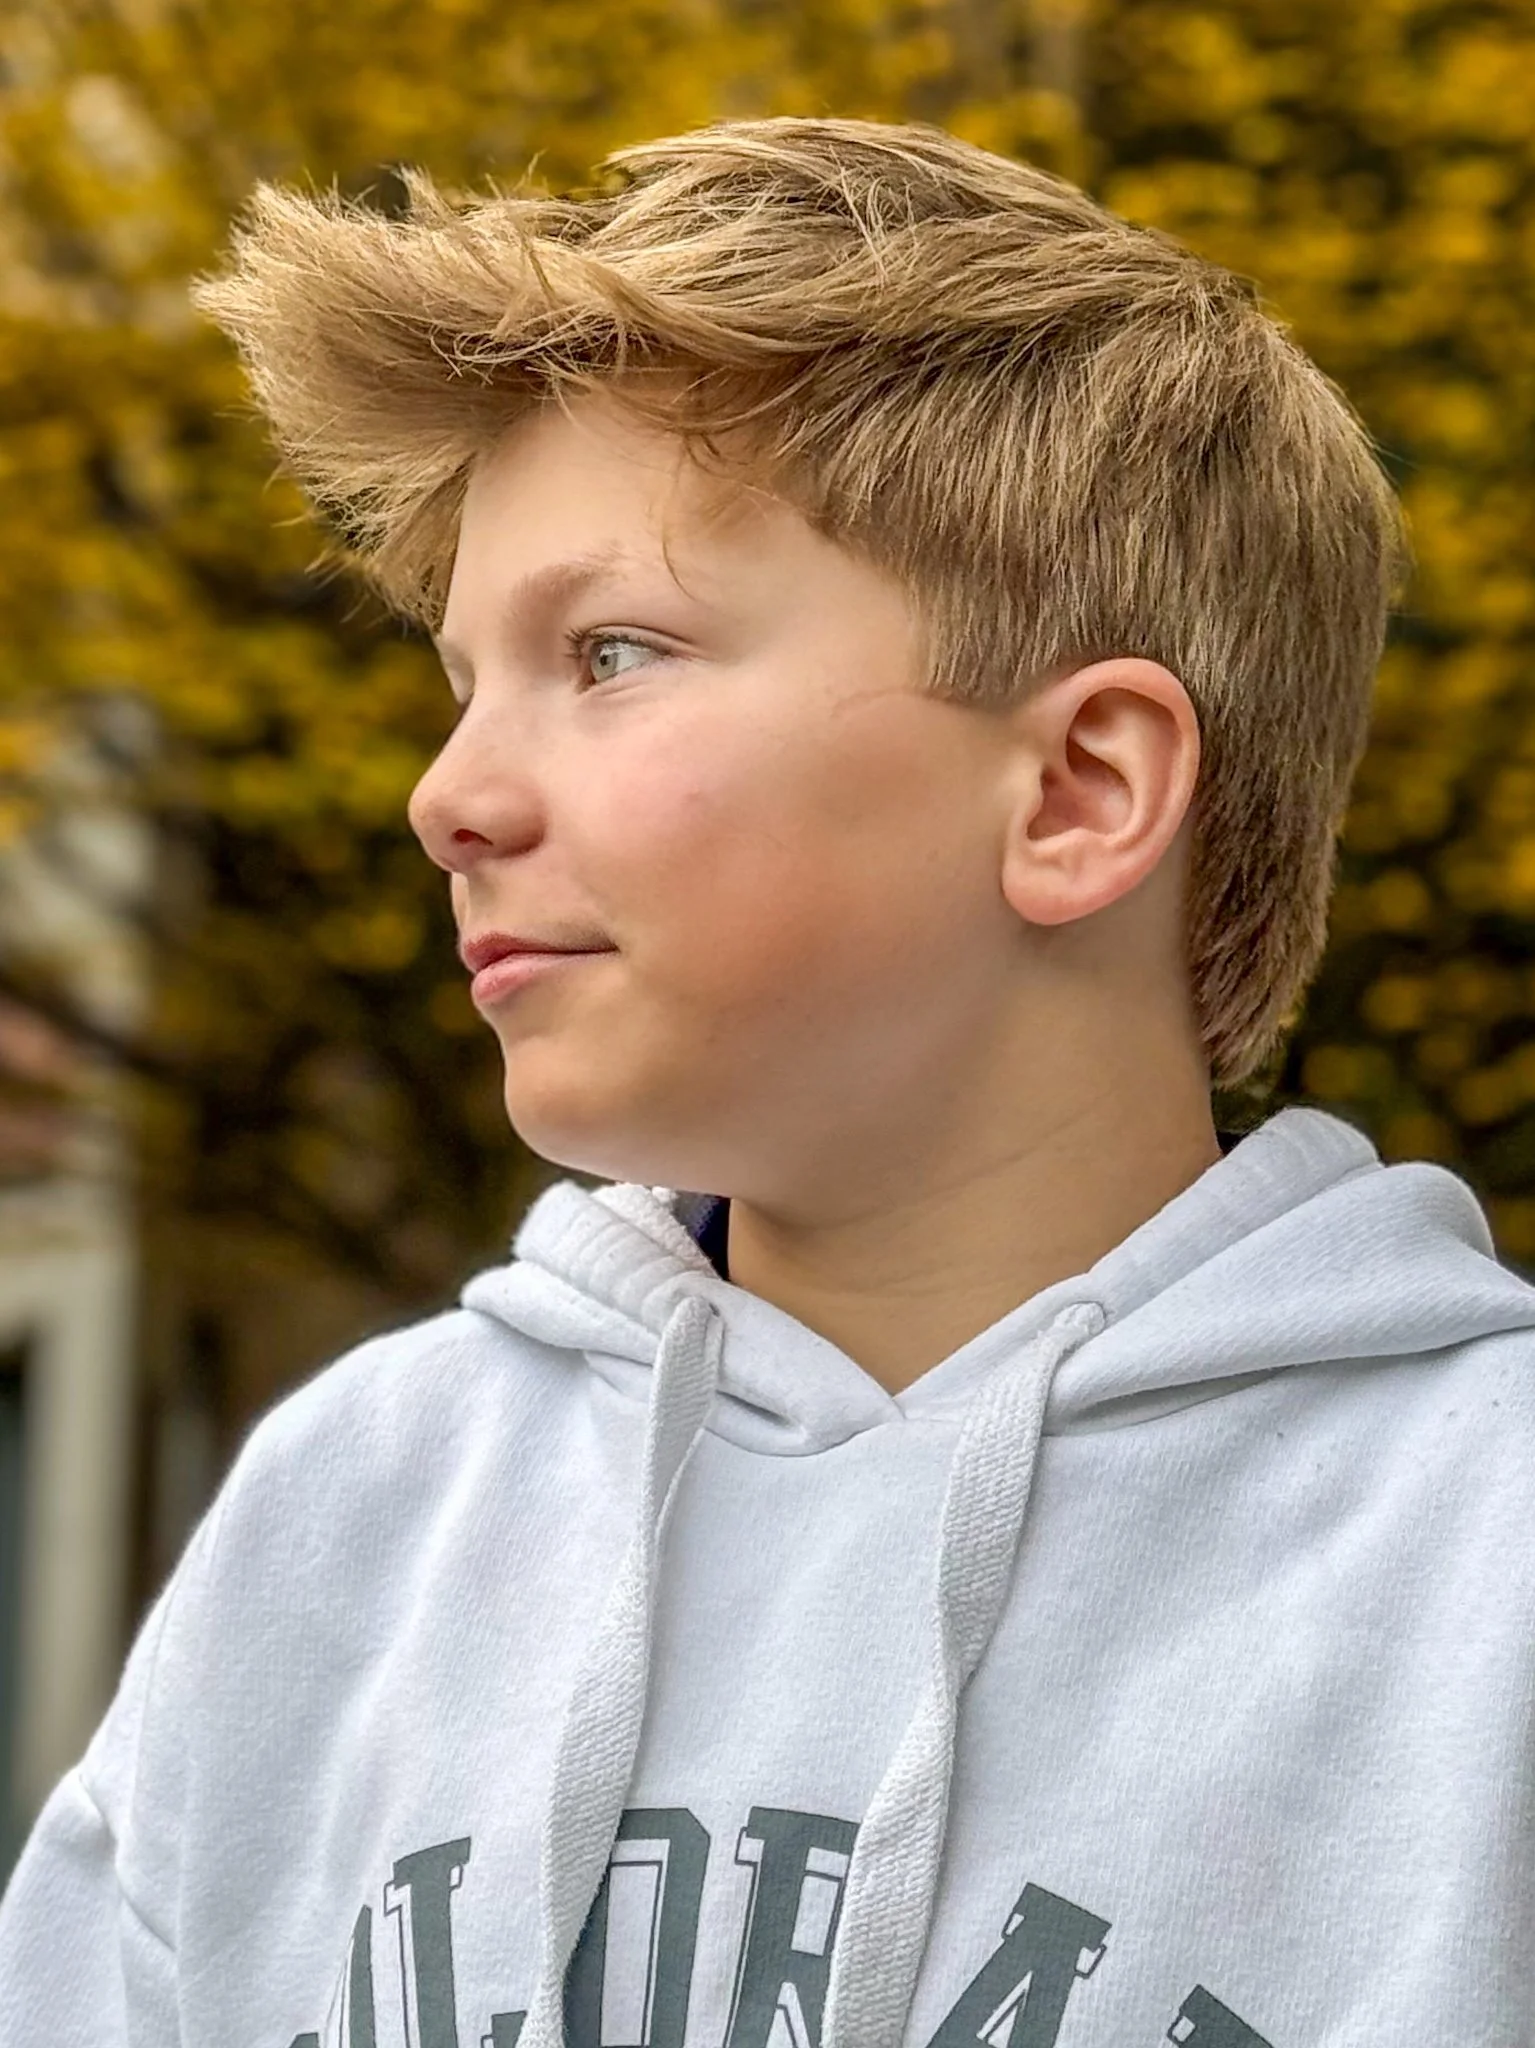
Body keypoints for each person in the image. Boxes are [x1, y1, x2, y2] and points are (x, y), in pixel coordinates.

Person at [3, 112, 1534, 2048]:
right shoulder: (354, 1516)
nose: (446, 795)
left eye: (612, 651)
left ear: (1076, 791)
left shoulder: (1487, 1556)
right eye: (460, 680)